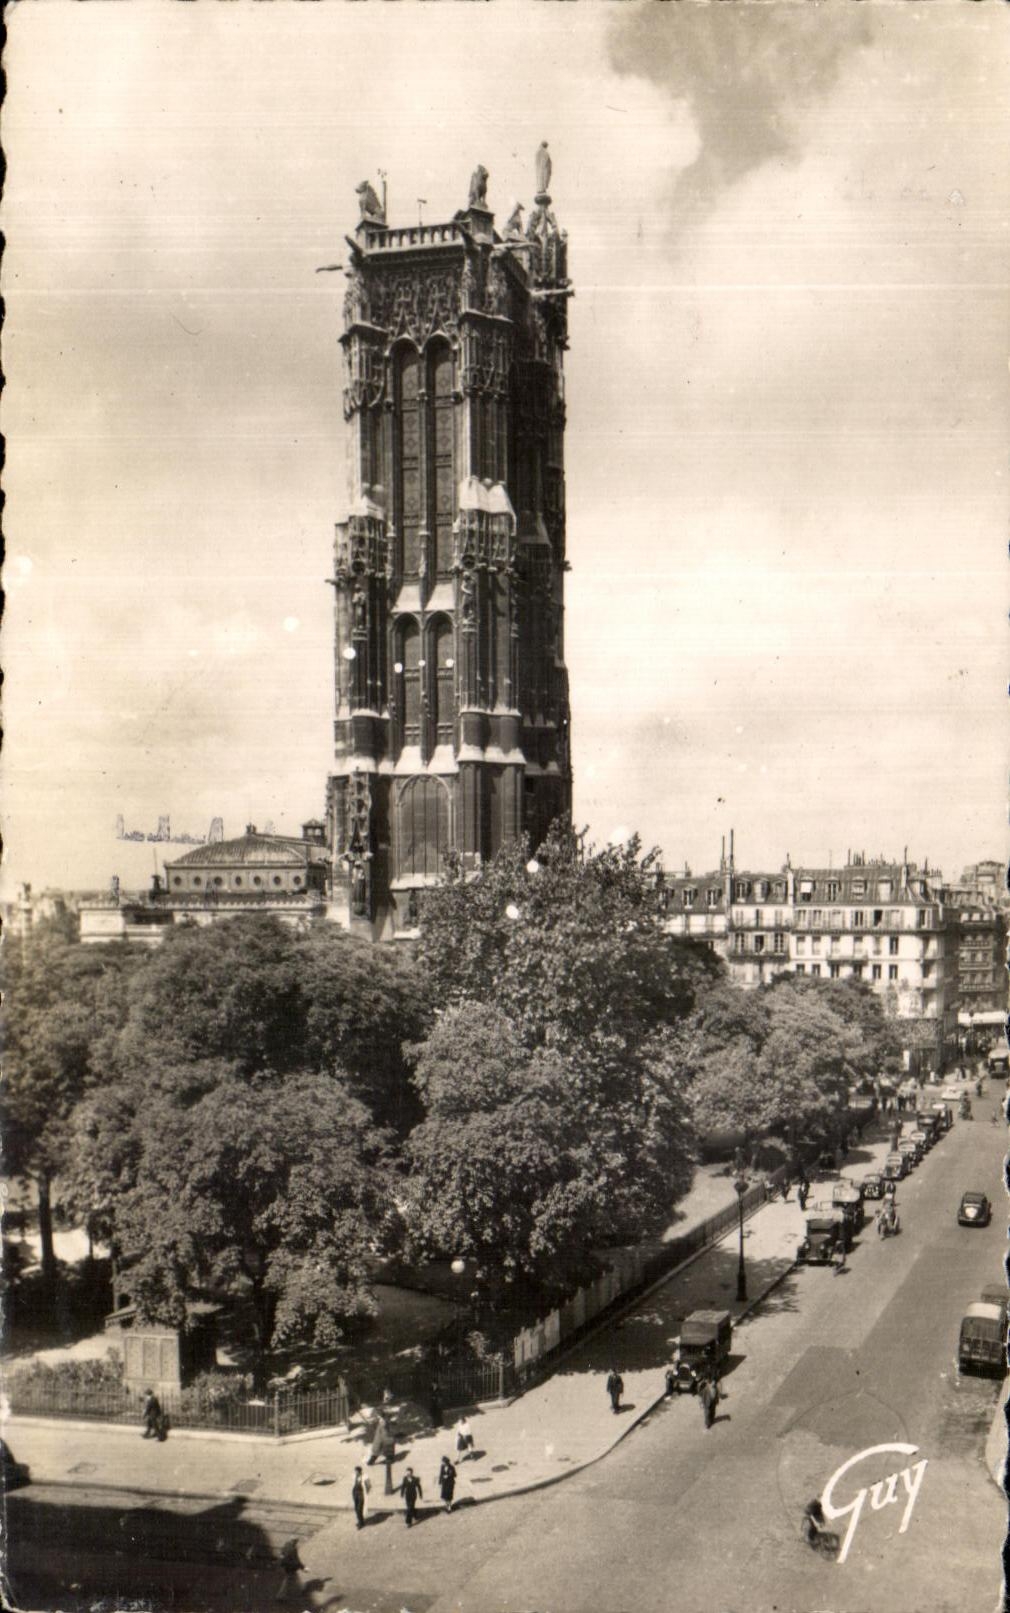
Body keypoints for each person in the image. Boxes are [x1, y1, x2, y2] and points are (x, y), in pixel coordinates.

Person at [275, 1537, 305, 1602]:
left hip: (286, 1566)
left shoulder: (286, 1544)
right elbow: (296, 1560)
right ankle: (280, 1596)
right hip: (290, 1567)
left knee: (292, 1579)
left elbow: (282, 1554)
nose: (297, 1543)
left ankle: (302, 1589)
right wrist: (303, 1567)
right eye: (296, 1541)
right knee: (288, 1581)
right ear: (294, 1541)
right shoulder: (293, 1549)